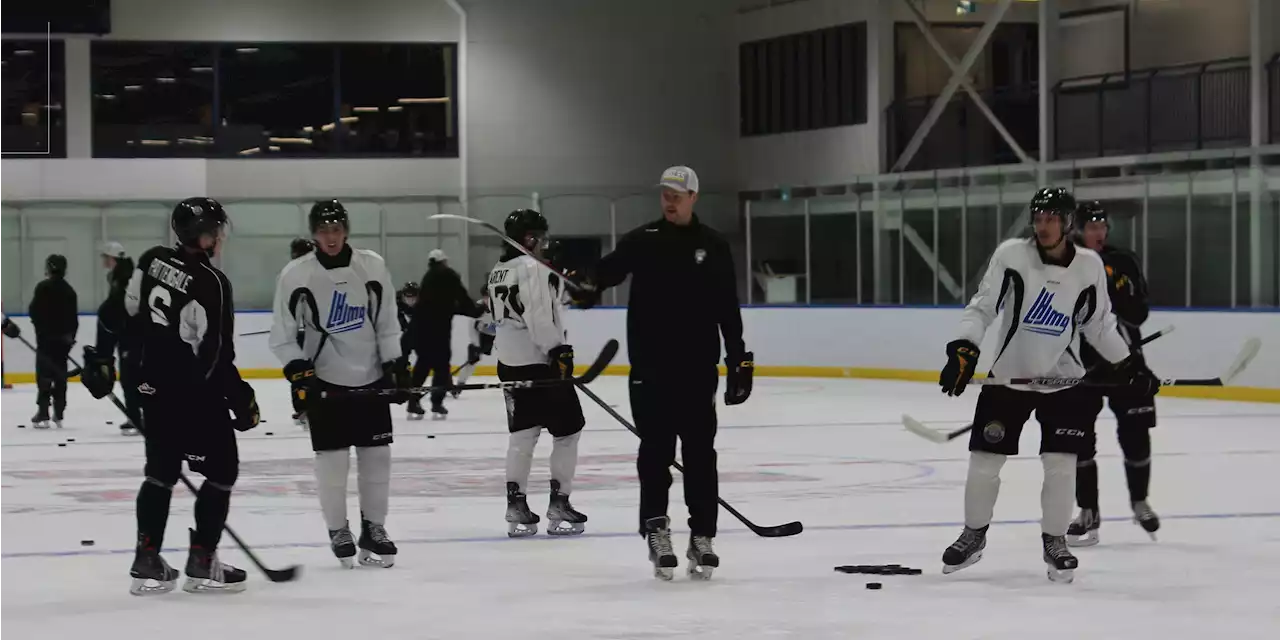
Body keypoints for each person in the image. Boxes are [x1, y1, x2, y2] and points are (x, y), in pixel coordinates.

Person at [936, 187, 1159, 584]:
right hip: (1008, 378)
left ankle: (1055, 542)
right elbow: (982, 307)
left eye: (1052, 218)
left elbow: (1098, 324)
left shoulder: (1089, 266)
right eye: (1038, 218)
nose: (1043, 225)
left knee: (1060, 465)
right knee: (984, 464)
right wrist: (963, 348)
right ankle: (973, 535)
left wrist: (1126, 362)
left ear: (1067, 223)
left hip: (1064, 382)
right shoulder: (1011, 256)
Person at [575, 166, 753, 580]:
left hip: (697, 369)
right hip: (650, 370)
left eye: (677, 194)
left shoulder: (714, 245)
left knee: (700, 454)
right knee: (655, 452)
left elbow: (728, 307)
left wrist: (738, 358)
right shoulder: (643, 240)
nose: (669, 200)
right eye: (664, 194)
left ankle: (702, 536)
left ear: (694, 196)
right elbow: (606, 272)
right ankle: (657, 529)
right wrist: (586, 287)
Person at [123, 197, 260, 595]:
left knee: (159, 474)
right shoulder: (212, 283)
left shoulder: (151, 260)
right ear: (202, 236)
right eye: (215, 230)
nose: (219, 236)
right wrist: (240, 397)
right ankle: (202, 559)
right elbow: (216, 356)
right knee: (222, 472)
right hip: (195, 397)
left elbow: (127, 313)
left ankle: (147, 558)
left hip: (154, 390)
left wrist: (108, 361)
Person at [269, 199, 409, 569]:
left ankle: (374, 527)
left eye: (336, 229)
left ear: (346, 230)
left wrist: (395, 363)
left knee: (377, 459)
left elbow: (388, 322)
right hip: (325, 380)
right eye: (323, 230)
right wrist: (299, 370)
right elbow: (281, 336)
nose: (330, 237)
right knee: (332, 463)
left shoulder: (372, 266)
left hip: (371, 378)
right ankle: (338, 529)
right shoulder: (295, 274)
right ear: (313, 234)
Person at [488, 210, 588, 537]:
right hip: (539, 362)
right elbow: (540, 316)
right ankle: (559, 500)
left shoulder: (498, 271)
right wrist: (558, 349)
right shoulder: (534, 268)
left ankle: (515, 503)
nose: (544, 243)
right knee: (569, 430)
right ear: (529, 238)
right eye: (539, 236)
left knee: (522, 436)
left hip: (509, 362)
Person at [1067, 201, 1159, 546]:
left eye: (1102, 226)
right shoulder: (1063, 263)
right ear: (1076, 229)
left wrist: (1117, 297)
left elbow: (1139, 316)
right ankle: (1088, 510)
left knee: (1136, 435)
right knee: (1077, 442)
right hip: (1078, 368)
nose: (1099, 232)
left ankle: (1140, 501)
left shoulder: (1123, 262)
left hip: (1126, 365)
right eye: (1092, 227)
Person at [408, 249, 481, 420]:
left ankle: (413, 400)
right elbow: (460, 298)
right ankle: (436, 402)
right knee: (441, 367)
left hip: (421, 329)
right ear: (444, 262)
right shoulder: (448, 275)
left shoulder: (427, 278)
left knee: (422, 366)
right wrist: (475, 311)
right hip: (439, 329)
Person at [83, 242, 143, 436]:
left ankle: (137, 416)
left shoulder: (125, 279)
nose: (103, 261)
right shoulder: (119, 277)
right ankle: (136, 415)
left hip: (132, 337)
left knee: (130, 377)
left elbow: (121, 308)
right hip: (127, 335)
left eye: (105, 257)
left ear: (112, 258)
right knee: (130, 377)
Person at [28, 254, 78, 429]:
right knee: (60, 375)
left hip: (45, 340)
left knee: (44, 376)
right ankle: (59, 412)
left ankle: (43, 412)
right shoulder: (70, 291)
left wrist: (40, 330)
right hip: (63, 342)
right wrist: (70, 338)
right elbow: (74, 320)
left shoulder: (43, 288)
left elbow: (34, 311)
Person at [287, 238, 315, 428]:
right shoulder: (292, 276)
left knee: (304, 372)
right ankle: (304, 406)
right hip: (303, 332)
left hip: (308, 331)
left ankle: (305, 405)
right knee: (302, 372)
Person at [452, 286, 496, 394]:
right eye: (486, 297)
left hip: (496, 336)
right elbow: (473, 325)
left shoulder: (500, 306)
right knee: (472, 361)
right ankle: (460, 385)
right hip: (480, 336)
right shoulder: (478, 307)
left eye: (490, 297)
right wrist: (476, 345)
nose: (488, 300)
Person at [396, 282, 420, 416]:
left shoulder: (424, 306)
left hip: (418, 336)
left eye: (413, 296)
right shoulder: (395, 306)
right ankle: (404, 390)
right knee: (401, 364)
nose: (410, 299)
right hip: (401, 339)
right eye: (407, 296)